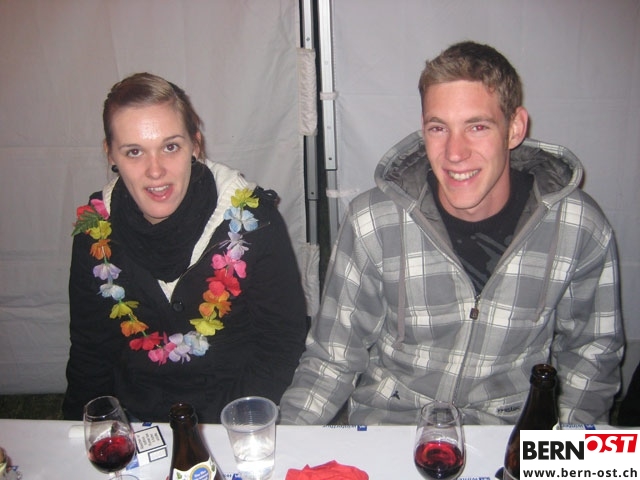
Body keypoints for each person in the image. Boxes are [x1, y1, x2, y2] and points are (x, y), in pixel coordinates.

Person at [279, 41, 624, 426]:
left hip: (510, 432)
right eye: (438, 128)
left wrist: (562, 453)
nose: (455, 152)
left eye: (477, 126)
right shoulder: (373, 221)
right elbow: (331, 359)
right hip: (391, 426)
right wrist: (283, 444)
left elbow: (591, 359)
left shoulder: (579, 227)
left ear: (514, 129)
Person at [62, 72, 308, 423]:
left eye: (170, 147)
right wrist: (85, 429)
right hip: (135, 419)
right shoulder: (94, 234)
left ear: (195, 144)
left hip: (234, 415)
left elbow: (281, 344)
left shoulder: (255, 223)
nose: (155, 171)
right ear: (110, 154)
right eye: (134, 152)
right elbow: (90, 350)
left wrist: (243, 421)